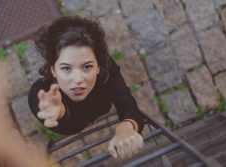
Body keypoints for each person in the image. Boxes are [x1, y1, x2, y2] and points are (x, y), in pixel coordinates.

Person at [28, 16, 145, 159]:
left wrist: (126, 127)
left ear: (98, 66)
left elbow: (126, 103)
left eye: (87, 67)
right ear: (53, 70)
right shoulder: (41, 94)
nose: (78, 79)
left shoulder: (106, 69)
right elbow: (49, 107)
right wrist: (59, 112)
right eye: (66, 68)